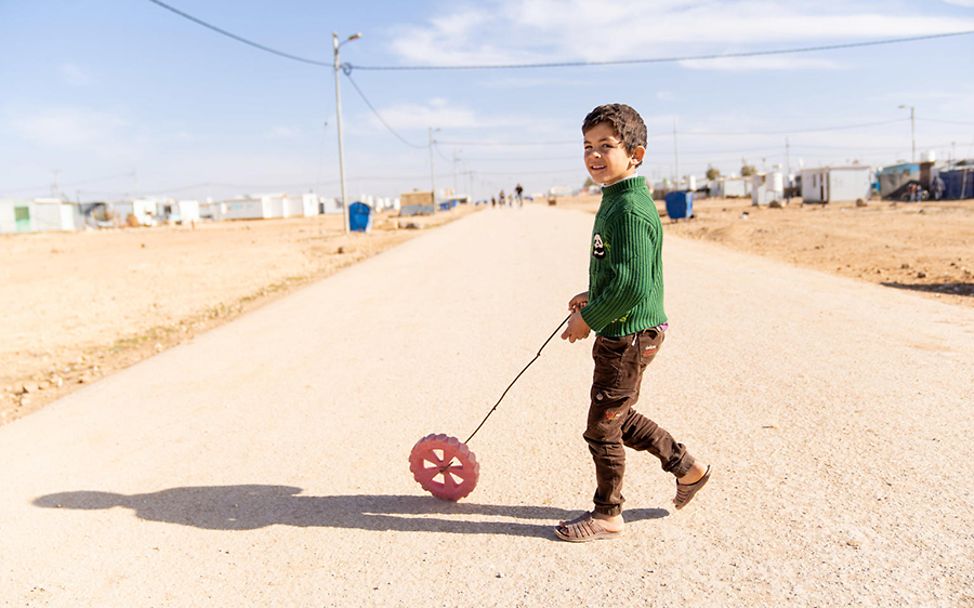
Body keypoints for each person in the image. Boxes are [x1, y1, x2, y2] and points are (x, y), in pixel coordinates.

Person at [555, 103, 711, 542]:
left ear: (635, 153)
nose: (594, 156)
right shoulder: (617, 198)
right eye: (588, 146)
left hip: (628, 333)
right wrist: (594, 294)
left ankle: (607, 514)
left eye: (607, 146)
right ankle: (689, 468)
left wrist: (589, 318)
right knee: (616, 414)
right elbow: (620, 270)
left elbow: (633, 288)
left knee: (602, 426)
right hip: (625, 328)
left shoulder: (629, 209)